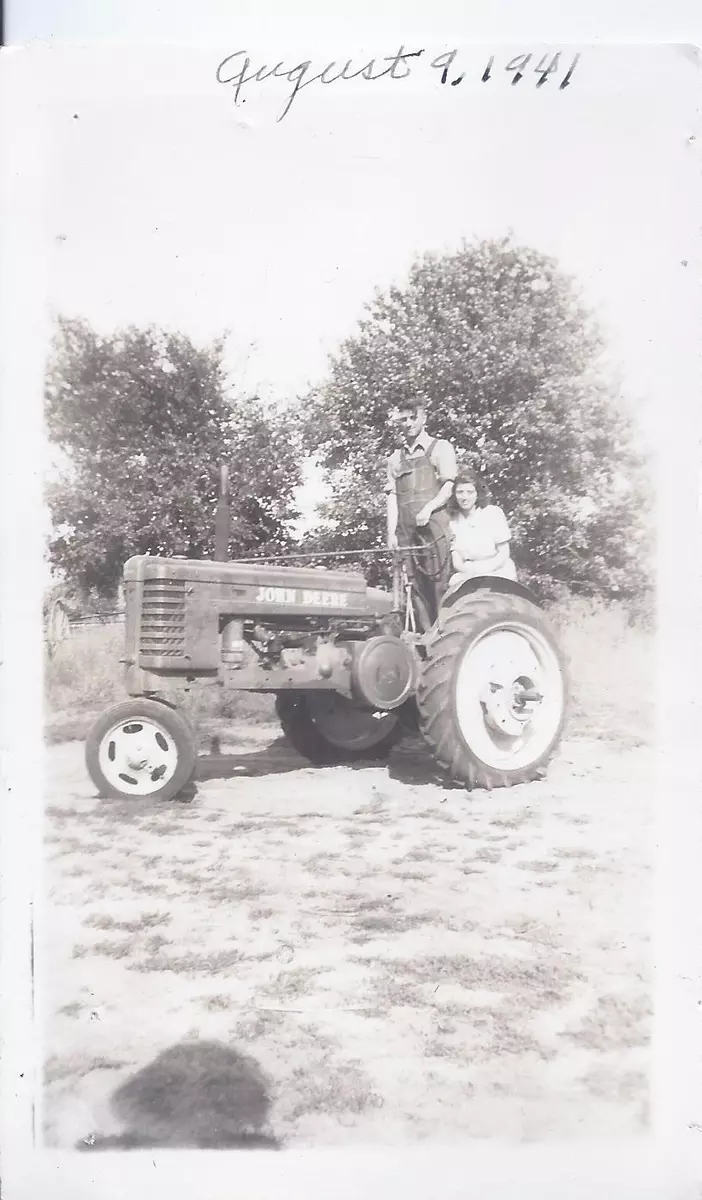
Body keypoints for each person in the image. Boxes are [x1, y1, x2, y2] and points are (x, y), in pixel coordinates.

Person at [385, 401, 457, 624]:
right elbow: (392, 497)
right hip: (406, 532)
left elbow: (448, 486)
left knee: (439, 584)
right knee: (413, 587)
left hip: (434, 528)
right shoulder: (394, 459)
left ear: (423, 419)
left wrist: (429, 508)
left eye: (412, 418)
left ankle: (445, 636)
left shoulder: (440, 447)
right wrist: (391, 533)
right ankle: (426, 639)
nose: (407, 424)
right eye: (403, 420)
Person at [447, 466, 518, 587]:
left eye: (470, 492)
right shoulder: (452, 521)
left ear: (477, 494)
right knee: (453, 587)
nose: (464, 497)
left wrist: (486, 570)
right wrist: (470, 572)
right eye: (460, 492)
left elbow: (504, 553)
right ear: (454, 494)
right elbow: (456, 559)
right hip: (468, 572)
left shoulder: (493, 513)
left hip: (497, 568)